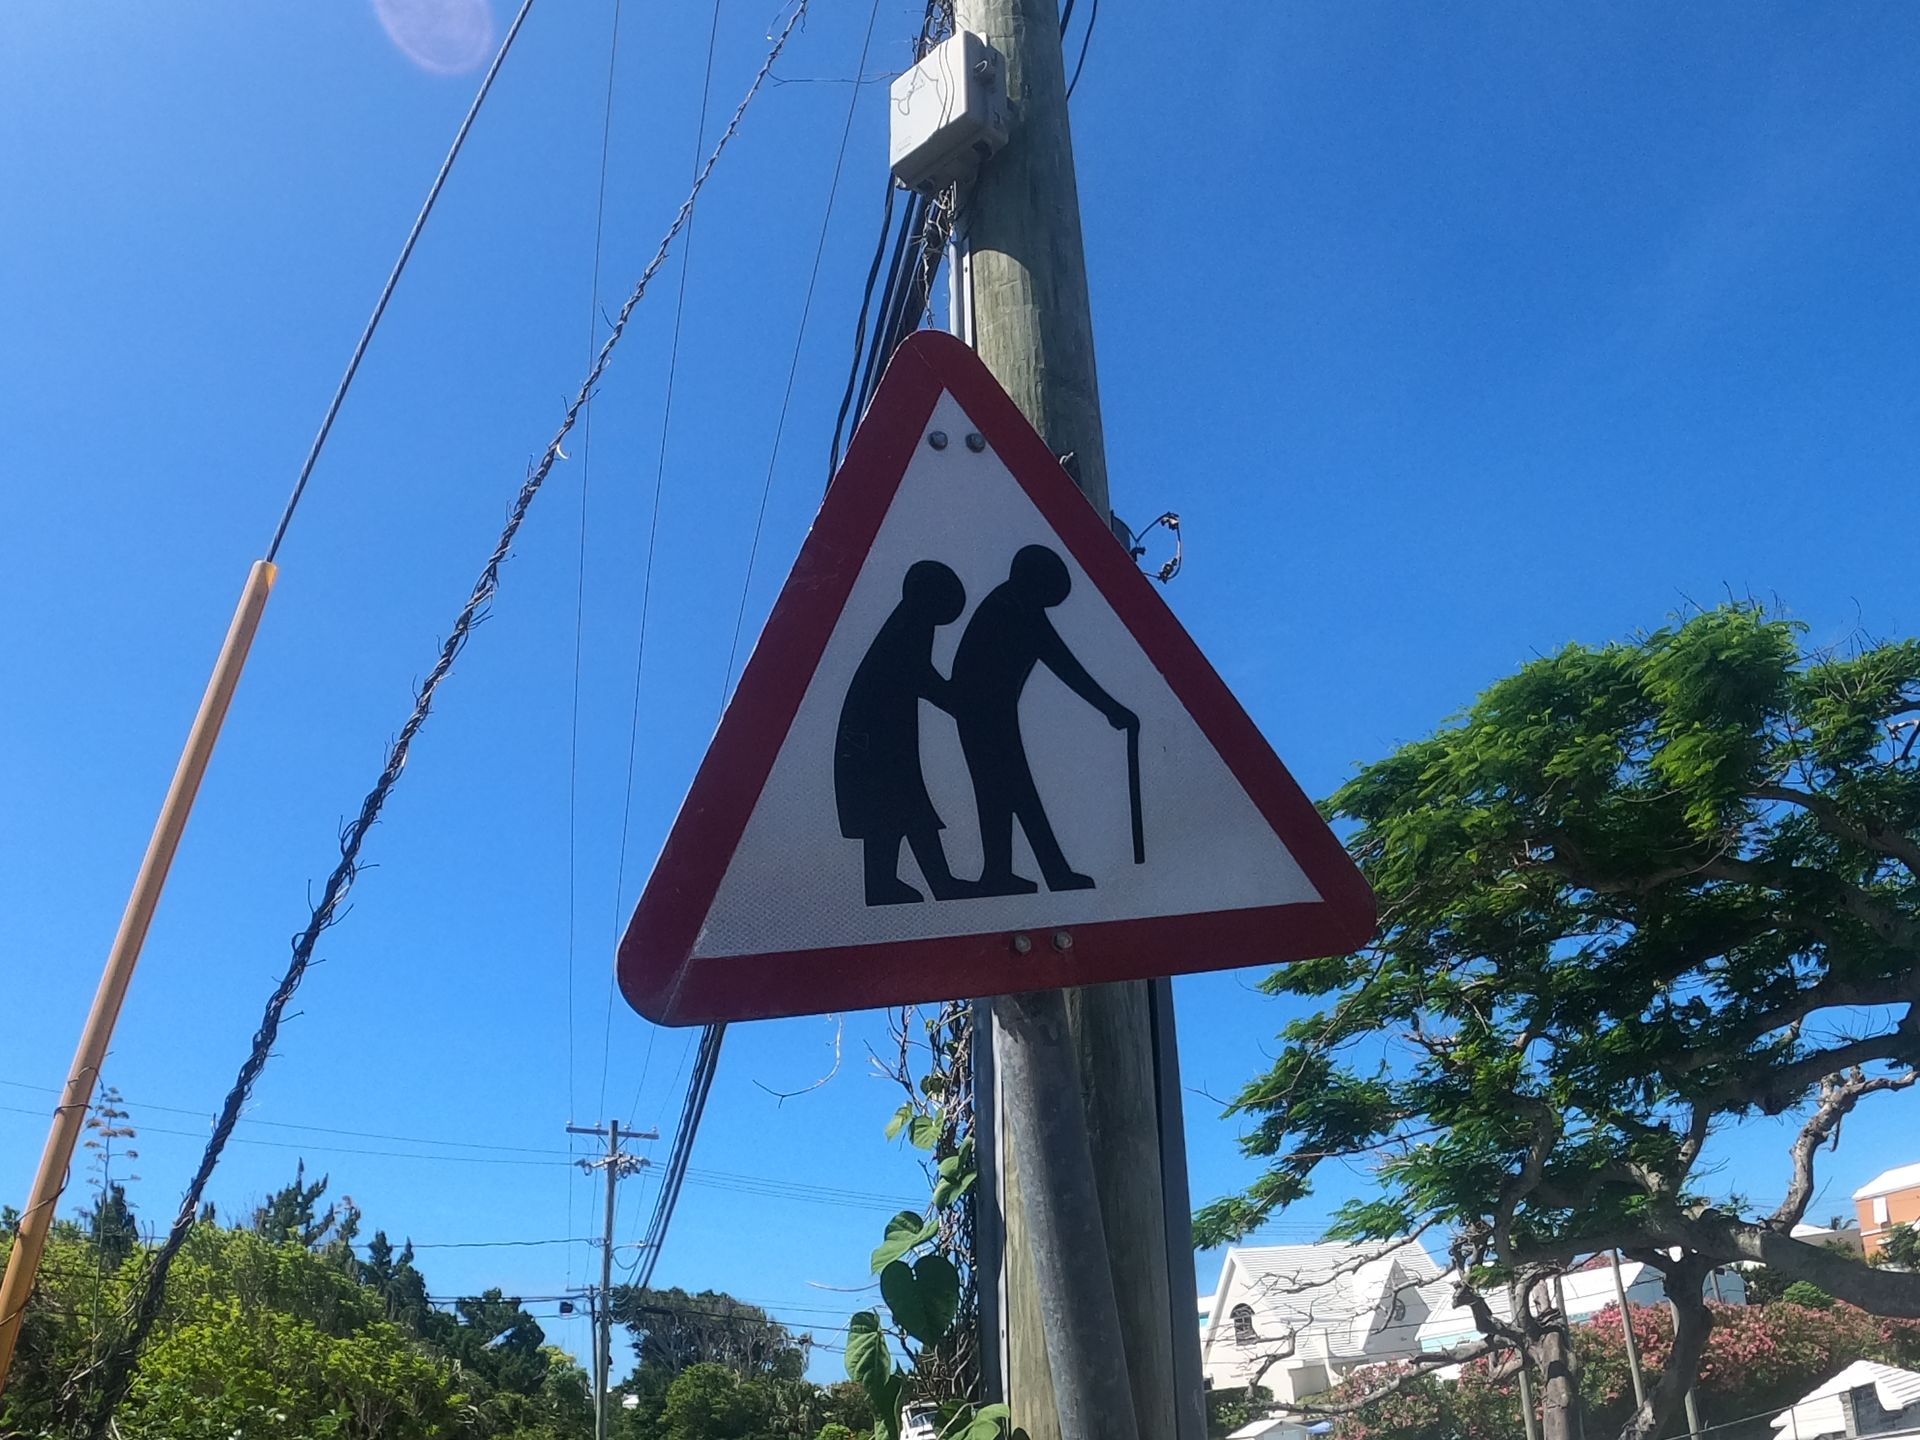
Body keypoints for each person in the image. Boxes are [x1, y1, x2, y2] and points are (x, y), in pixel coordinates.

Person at [950, 544, 1137, 896]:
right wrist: (1111, 708)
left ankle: (1013, 872)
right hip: (982, 715)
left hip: (989, 713)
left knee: (1008, 792)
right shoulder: (1012, 609)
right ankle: (1031, 873)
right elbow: (1064, 664)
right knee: (1008, 793)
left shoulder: (1017, 604)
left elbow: (1061, 660)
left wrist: (1112, 708)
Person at [834, 560, 971, 905]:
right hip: (873, 742)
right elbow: (919, 675)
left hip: (883, 738)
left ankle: (935, 882)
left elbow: (919, 676)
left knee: (905, 809)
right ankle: (898, 884)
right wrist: (961, 704)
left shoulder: (912, 622)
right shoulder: (911, 626)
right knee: (890, 811)